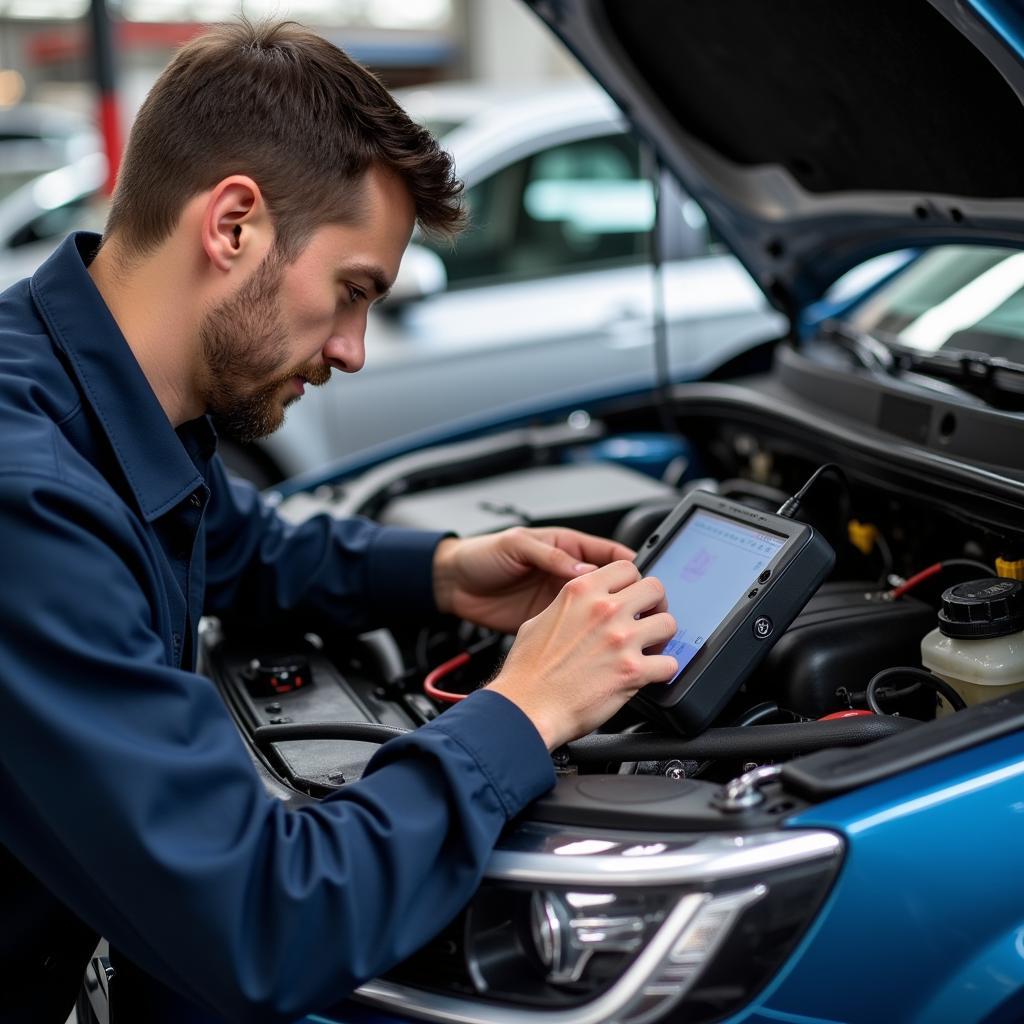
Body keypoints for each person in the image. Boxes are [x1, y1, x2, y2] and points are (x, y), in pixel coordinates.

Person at [0, 19, 678, 1024]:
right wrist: (526, 709)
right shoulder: (28, 499)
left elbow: (243, 545)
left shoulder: (80, 389)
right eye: (352, 291)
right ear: (234, 225)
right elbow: (261, 921)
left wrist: (443, 571)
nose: (354, 349)